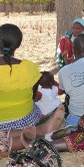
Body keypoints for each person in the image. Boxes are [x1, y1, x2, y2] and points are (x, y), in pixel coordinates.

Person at [0, 24, 65, 156]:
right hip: (27, 120)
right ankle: (38, 131)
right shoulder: (29, 67)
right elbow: (33, 97)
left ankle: (24, 139)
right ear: (18, 44)